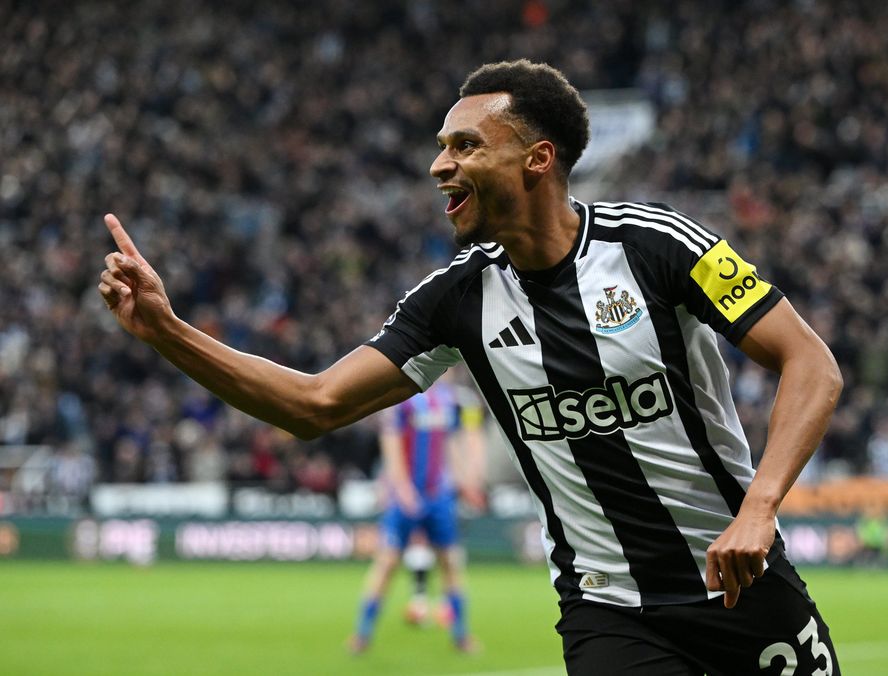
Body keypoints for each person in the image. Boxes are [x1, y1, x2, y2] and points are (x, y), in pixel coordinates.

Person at [99, 59, 843, 674]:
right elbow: (315, 402)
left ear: (536, 159)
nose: (438, 165)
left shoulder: (656, 246)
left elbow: (810, 362)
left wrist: (758, 508)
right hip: (612, 613)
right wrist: (168, 332)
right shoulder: (454, 299)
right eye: (440, 146)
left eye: (463, 146)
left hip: (742, 586)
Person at [350, 376, 485, 653]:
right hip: (406, 497)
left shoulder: (449, 400)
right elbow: (391, 442)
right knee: (387, 564)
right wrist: (401, 487)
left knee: (450, 563)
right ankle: (361, 635)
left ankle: (461, 636)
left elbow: (451, 445)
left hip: (439, 496)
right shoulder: (403, 399)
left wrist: (466, 483)